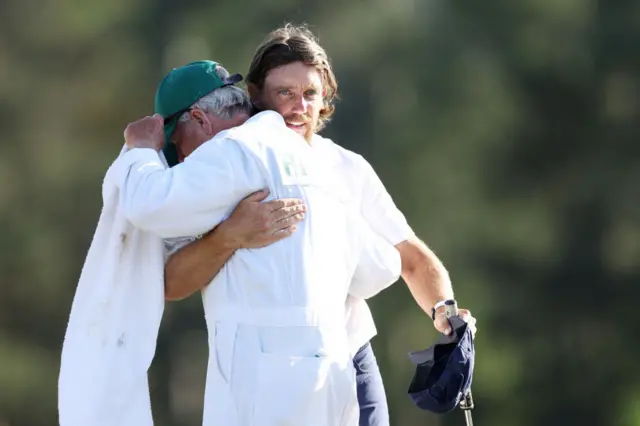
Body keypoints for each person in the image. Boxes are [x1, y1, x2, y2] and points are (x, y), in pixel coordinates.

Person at [161, 24, 477, 426]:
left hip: (350, 358)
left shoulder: (347, 167)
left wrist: (446, 314)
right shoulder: (232, 164)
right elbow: (172, 282)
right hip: (268, 377)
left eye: (310, 94)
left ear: (325, 97)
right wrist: (231, 236)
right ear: (256, 95)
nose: (299, 107)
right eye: (285, 93)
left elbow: (412, 258)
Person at [120, 60, 403, 425]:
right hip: (334, 374)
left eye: (178, 144)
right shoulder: (312, 160)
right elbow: (381, 270)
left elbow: (146, 205)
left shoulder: (230, 150)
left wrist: (141, 150)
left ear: (200, 120)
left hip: (268, 385)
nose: (184, 160)